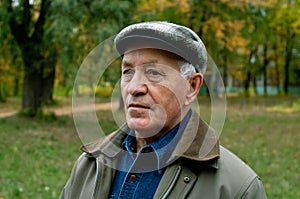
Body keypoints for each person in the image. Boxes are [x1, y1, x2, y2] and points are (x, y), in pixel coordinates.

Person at [60, 21, 267, 199]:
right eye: (128, 71)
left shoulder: (238, 188)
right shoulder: (89, 165)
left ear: (192, 87)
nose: (134, 87)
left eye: (153, 72)